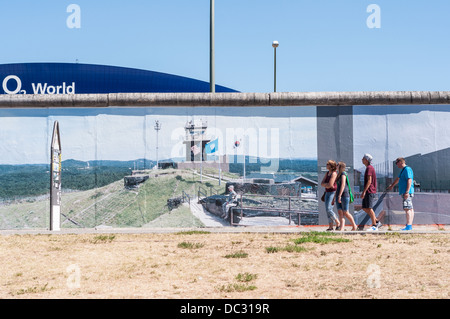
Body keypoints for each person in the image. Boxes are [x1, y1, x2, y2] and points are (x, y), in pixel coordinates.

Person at [387, 157, 415, 231]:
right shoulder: (403, 170)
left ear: (401, 162)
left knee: (407, 208)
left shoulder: (407, 169)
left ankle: (408, 226)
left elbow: (409, 180)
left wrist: (407, 192)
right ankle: (409, 225)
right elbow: (398, 179)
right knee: (410, 208)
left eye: (397, 163)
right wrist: (392, 185)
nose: (396, 165)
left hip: (407, 192)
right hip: (406, 192)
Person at [360, 154, 382, 231]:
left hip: (370, 191)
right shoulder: (368, 168)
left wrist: (364, 192)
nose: (362, 159)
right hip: (369, 191)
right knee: (364, 208)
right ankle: (376, 221)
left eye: (363, 158)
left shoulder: (369, 168)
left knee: (369, 208)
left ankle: (374, 225)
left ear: (366, 160)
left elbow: (369, 181)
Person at [334, 161, 358, 231]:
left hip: (344, 195)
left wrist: (339, 196)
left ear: (340, 166)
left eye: (337, 165)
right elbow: (337, 187)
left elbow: (343, 185)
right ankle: (342, 228)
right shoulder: (338, 174)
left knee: (345, 212)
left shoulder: (343, 174)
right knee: (340, 212)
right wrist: (335, 196)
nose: (336, 166)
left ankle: (354, 226)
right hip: (339, 195)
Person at [320, 160, 340, 231]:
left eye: (327, 164)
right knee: (327, 210)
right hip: (327, 192)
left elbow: (330, 185)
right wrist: (326, 185)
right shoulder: (327, 173)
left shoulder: (334, 173)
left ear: (331, 166)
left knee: (329, 209)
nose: (326, 165)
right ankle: (331, 226)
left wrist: (326, 185)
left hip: (332, 193)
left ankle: (337, 222)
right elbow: (322, 183)